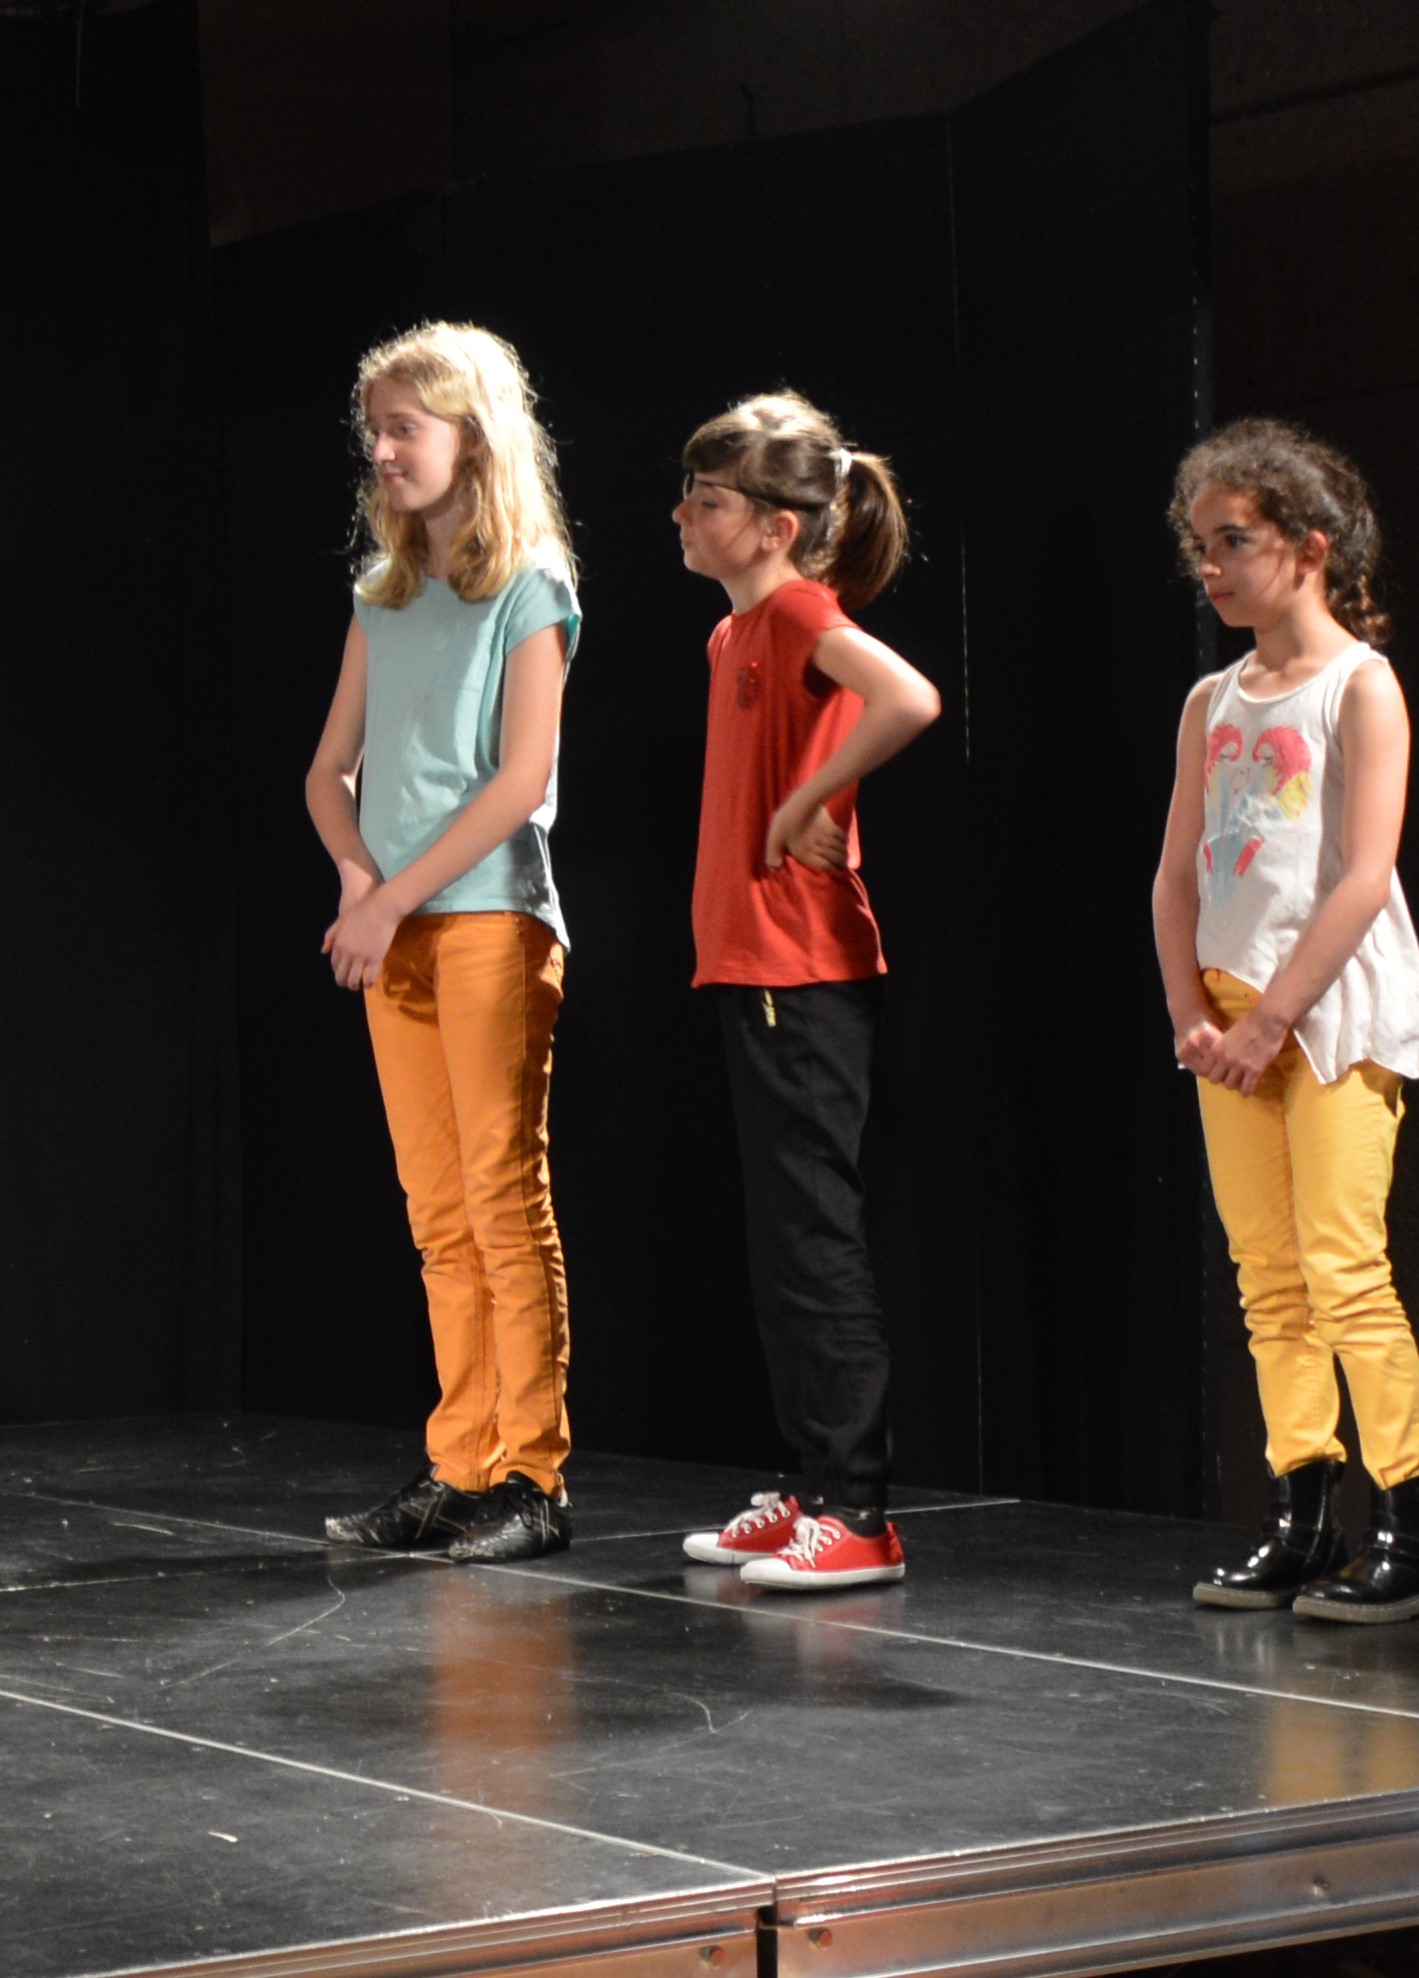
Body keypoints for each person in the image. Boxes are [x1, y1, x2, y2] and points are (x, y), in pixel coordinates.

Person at [1152, 419, 1419, 1625]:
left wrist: (1273, 1018)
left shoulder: (1358, 685)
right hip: (1231, 1012)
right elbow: (1177, 872)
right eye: (1201, 544)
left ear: (1311, 547)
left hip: (1328, 1008)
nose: (1212, 566)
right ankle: (1301, 1515)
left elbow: (1363, 876)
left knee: (1343, 1267)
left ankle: (1414, 1525)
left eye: (1235, 540)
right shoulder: (1211, 699)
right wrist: (1192, 1009)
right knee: (1267, 1275)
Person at [303, 321, 585, 1567]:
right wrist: (359, 881)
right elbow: (328, 771)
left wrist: (390, 897)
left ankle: (531, 1473)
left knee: (501, 1200)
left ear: (472, 435)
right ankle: (460, 1463)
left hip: (488, 923)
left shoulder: (531, 583)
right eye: (375, 430)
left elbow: (520, 779)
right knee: (437, 1214)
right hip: (400, 932)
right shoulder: (383, 591)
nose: (383, 449)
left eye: (404, 427)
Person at [659, 394, 940, 1594]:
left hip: (804, 970)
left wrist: (806, 800)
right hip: (752, 964)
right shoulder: (735, 634)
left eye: (707, 500)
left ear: (775, 526)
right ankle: (814, 1488)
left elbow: (908, 696)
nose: (682, 516)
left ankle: (858, 1510)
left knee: (815, 1241)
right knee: (782, 1246)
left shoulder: (796, 610)